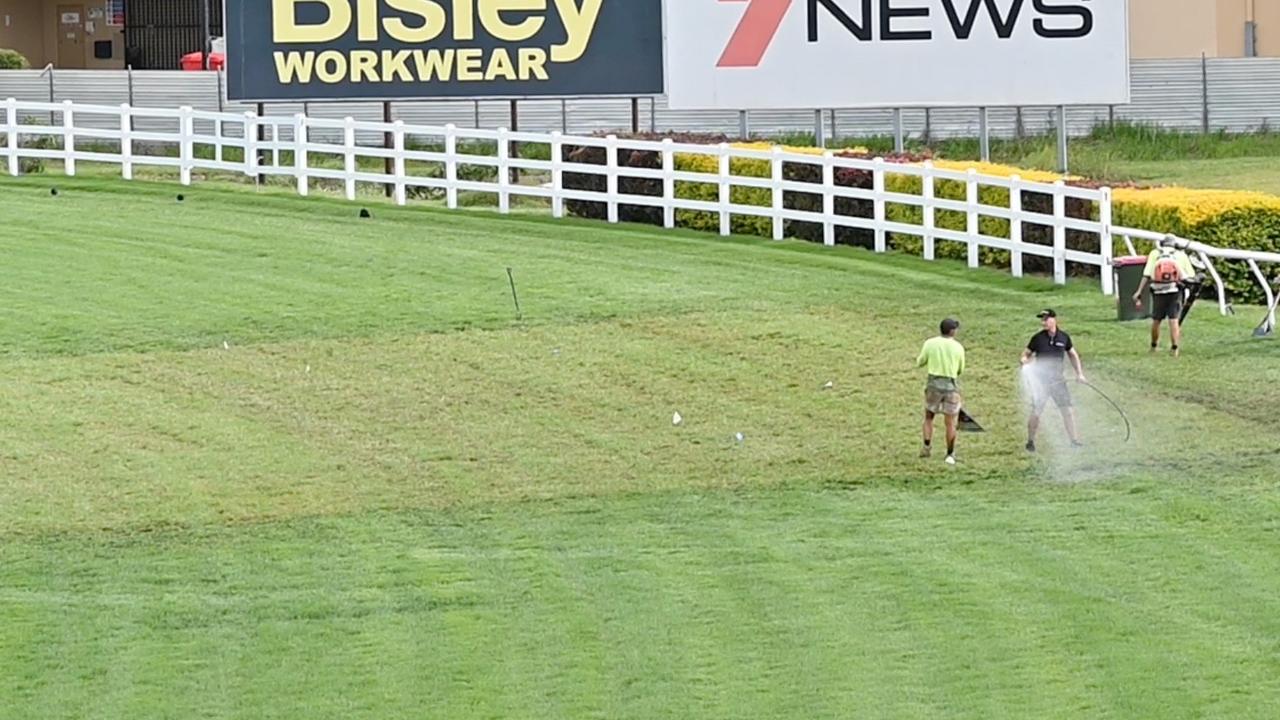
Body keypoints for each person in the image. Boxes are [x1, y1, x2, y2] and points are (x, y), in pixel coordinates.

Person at [1021, 309, 1087, 452]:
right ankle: (1030, 441)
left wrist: (1079, 374)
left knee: (1067, 411)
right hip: (1041, 383)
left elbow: (1073, 355)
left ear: (1054, 320)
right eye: (1042, 320)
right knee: (1036, 411)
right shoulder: (1037, 338)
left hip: (1059, 381)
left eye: (1046, 319)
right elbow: (1026, 354)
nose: (1043, 322)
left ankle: (1074, 441)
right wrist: (1025, 361)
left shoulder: (1064, 337)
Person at [1133, 234, 1196, 357]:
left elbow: (1147, 274)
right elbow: (1190, 275)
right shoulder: (1180, 255)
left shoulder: (1154, 254)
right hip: (1174, 291)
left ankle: (1153, 346)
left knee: (1156, 320)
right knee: (1174, 320)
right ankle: (1175, 349)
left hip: (1157, 291)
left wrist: (1139, 291)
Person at [916, 318, 965, 465]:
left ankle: (926, 446)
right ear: (953, 331)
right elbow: (960, 369)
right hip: (950, 386)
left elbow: (920, 361)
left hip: (933, 384)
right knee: (950, 422)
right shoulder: (958, 347)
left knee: (929, 417)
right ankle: (950, 453)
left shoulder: (930, 343)